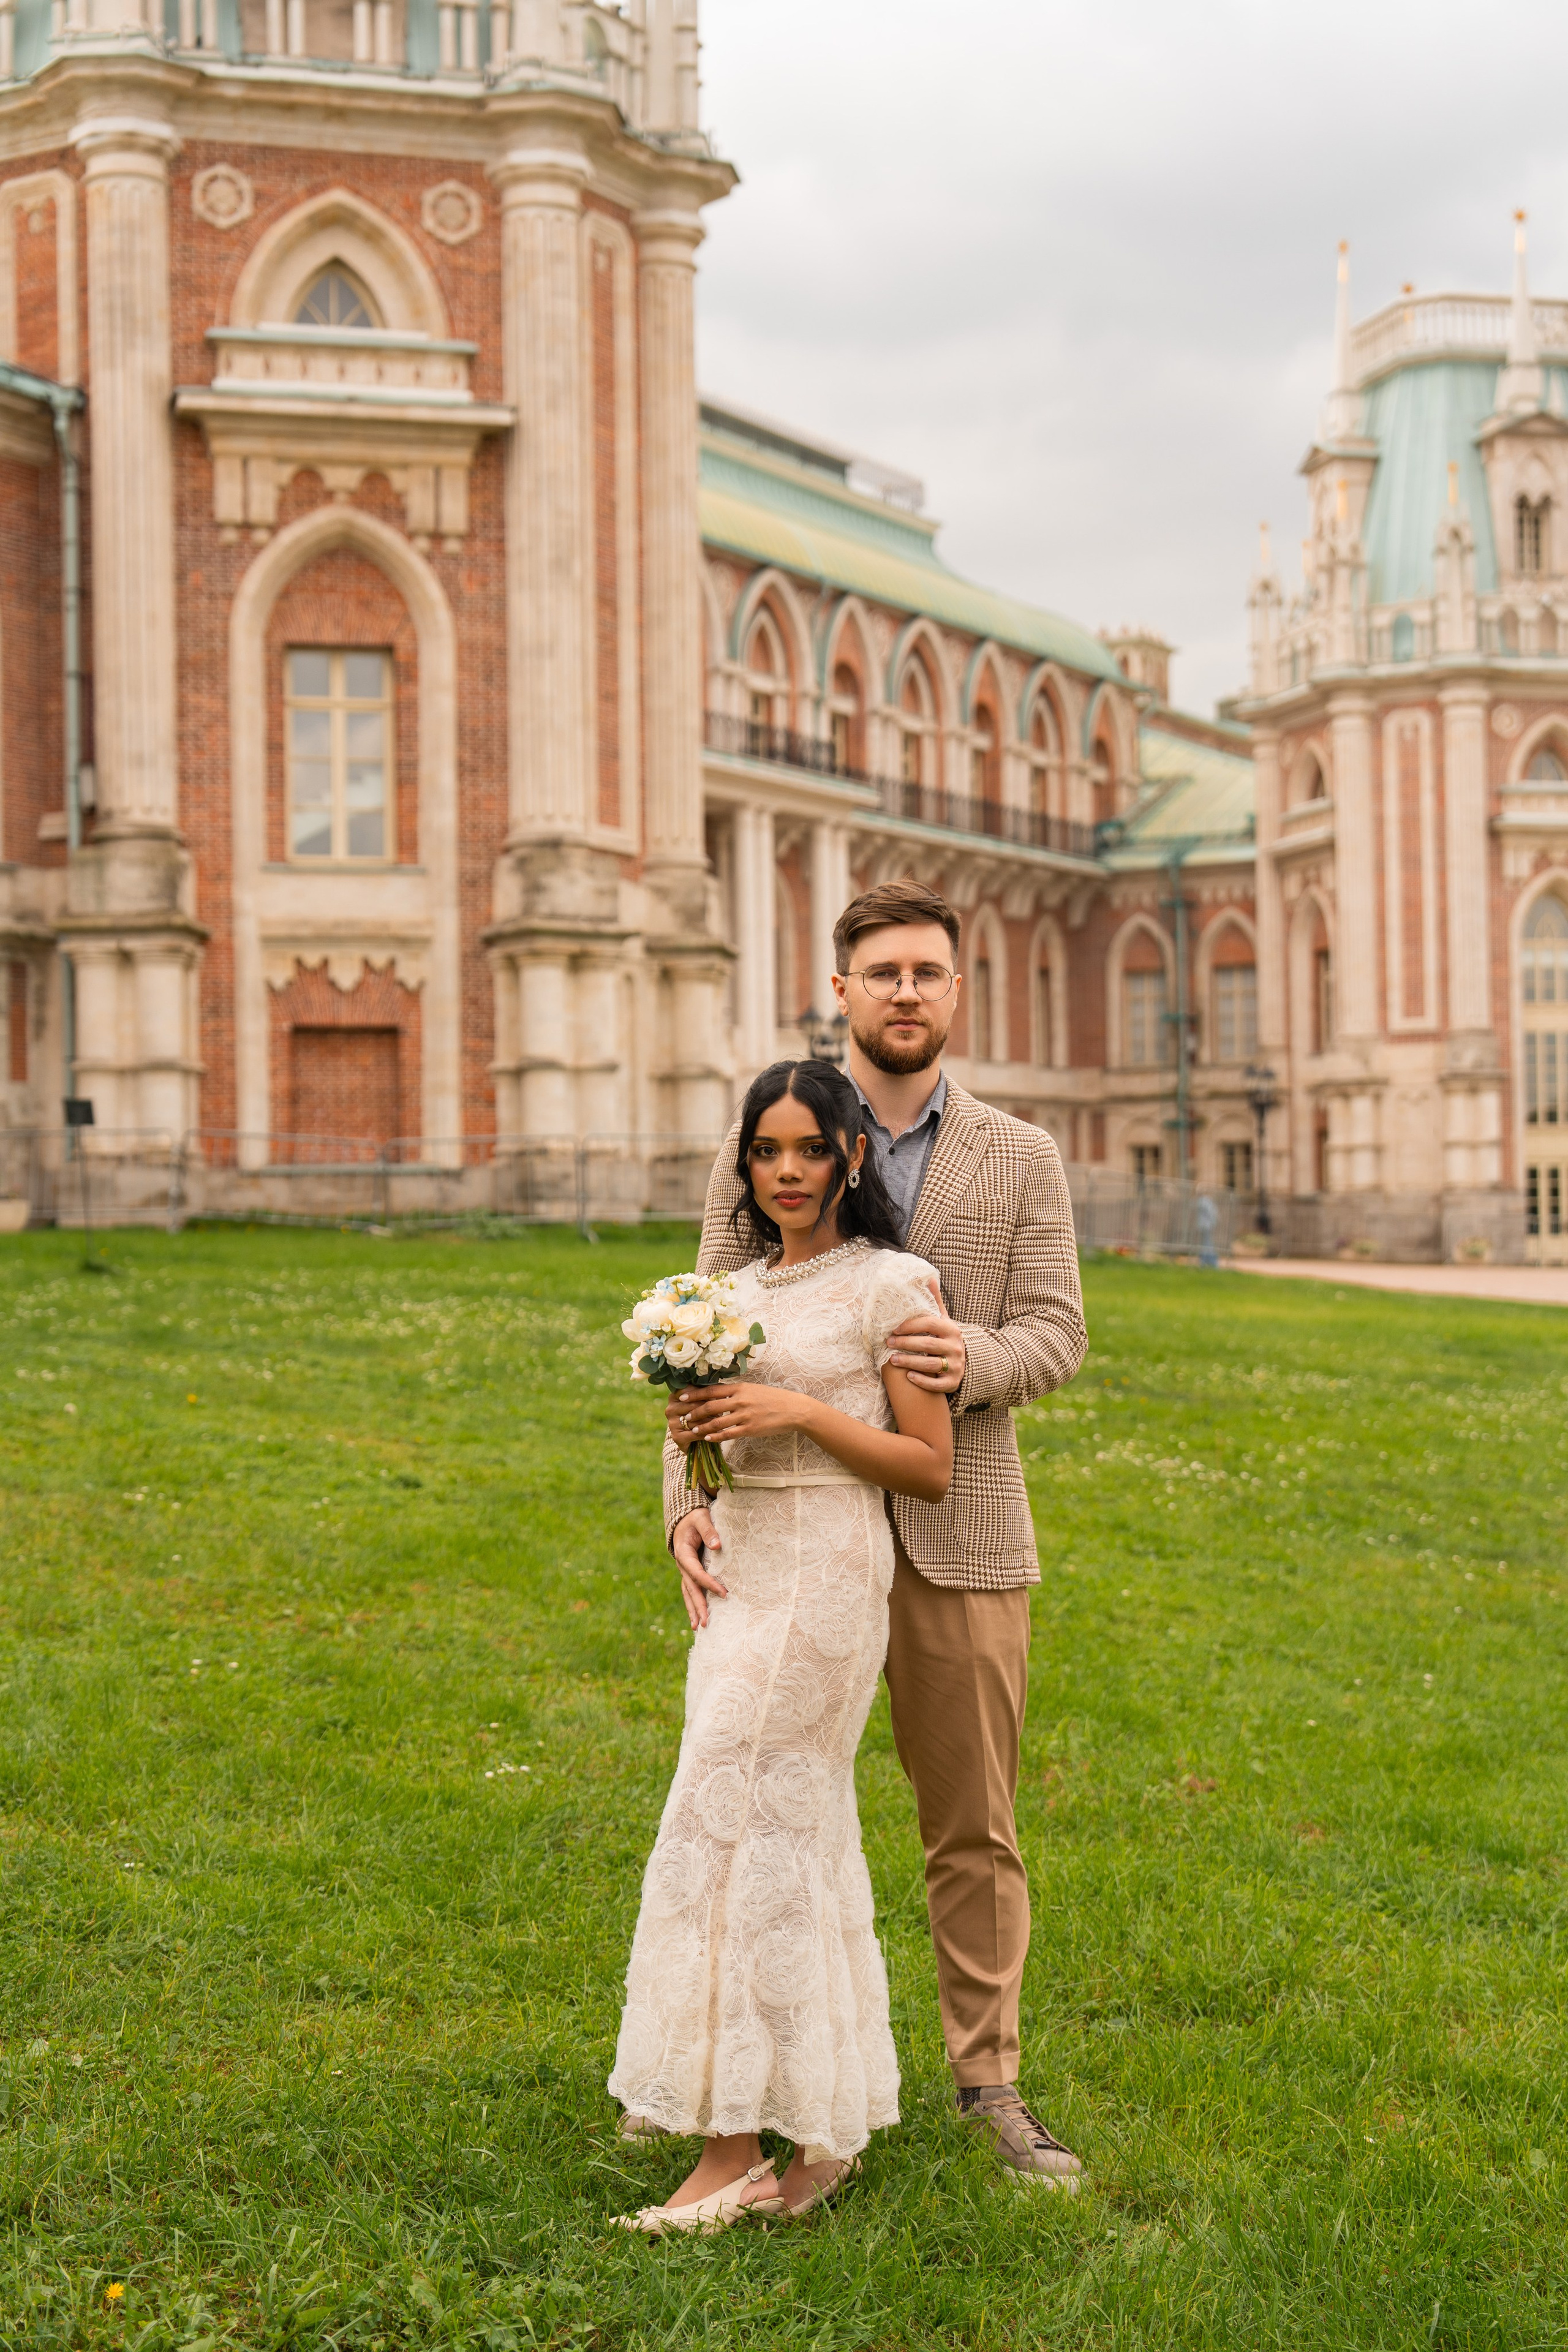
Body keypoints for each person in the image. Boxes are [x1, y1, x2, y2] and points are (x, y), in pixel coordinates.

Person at [659, 878, 1089, 2189]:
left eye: (927, 972)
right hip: (789, 1558)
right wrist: (685, 1502)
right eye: (883, 971)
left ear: (957, 991)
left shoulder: (1018, 1156)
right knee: (758, 1806)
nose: (906, 991)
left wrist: (969, 1359)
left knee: (971, 1825)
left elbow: (1058, 1332)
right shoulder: (777, 1131)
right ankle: (758, 2084)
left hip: (961, 1531)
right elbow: (701, 1335)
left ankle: (989, 2082)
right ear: (841, 989)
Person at [609, 1058, 954, 2235]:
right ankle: (817, 2128)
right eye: (767, 1152)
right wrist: (689, 1503)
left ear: (852, 1156)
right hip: (743, 1568)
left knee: (733, 1817)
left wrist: (802, 1410)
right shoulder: (732, 1289)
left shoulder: (893, 1283)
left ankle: (732, 2154)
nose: (789, 1172)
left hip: (828, 1573)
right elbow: (698, 1431)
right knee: (780, 1830)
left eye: (811, 1149)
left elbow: (928, 1466)